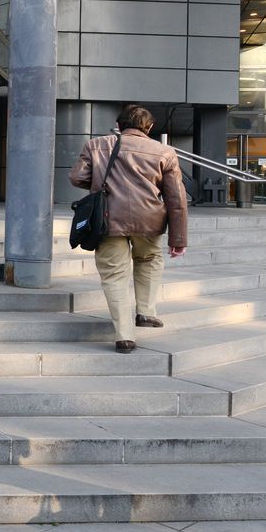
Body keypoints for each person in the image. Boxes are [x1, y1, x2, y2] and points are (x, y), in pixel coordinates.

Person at [70, 105, 188, 354]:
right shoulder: (165, 151)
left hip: (107, 220)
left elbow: (77, 177)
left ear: (119, 124)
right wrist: (178, 238)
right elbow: (176, 198)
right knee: (150, 258)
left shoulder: (96, 145)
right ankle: (145, 311)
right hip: (150, 222)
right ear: (150, 127)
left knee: (115, 277)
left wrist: (105, 183)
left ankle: (124, 336)